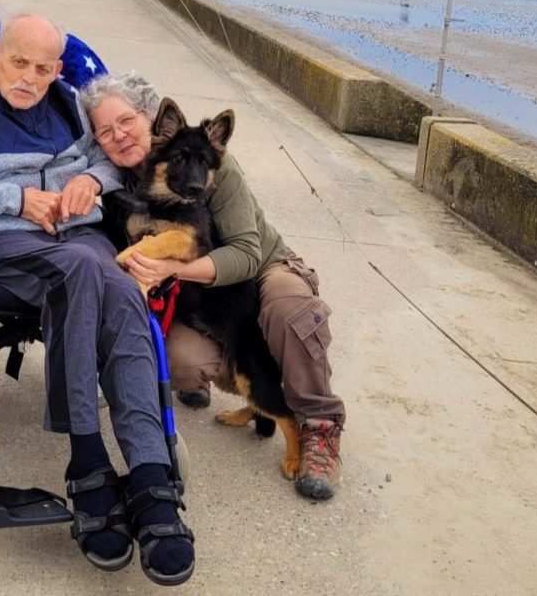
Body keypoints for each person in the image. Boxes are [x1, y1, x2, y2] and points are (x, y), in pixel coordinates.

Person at [0, 15, 195, 585]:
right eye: (18, 63)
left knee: (120, 282)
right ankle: (87, 461)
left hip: (74, 237)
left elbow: (109, 158)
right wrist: (13, 198)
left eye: (42, 67)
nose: (29, 78)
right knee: (88, 265)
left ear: (57, 69)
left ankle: (151, 472)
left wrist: (92, 182)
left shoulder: (67, 105)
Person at [82, 71, 346, 502]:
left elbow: (245, 252)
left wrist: (169, 268)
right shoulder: (120, 174)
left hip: (262, 266)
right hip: (212, 298)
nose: (119, 136)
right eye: (105, 131)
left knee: (286, 309)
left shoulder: (208, 161)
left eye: (127, 122)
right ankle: (255, 398)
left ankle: (318, 426)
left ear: (153, 120)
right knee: (180, 361)